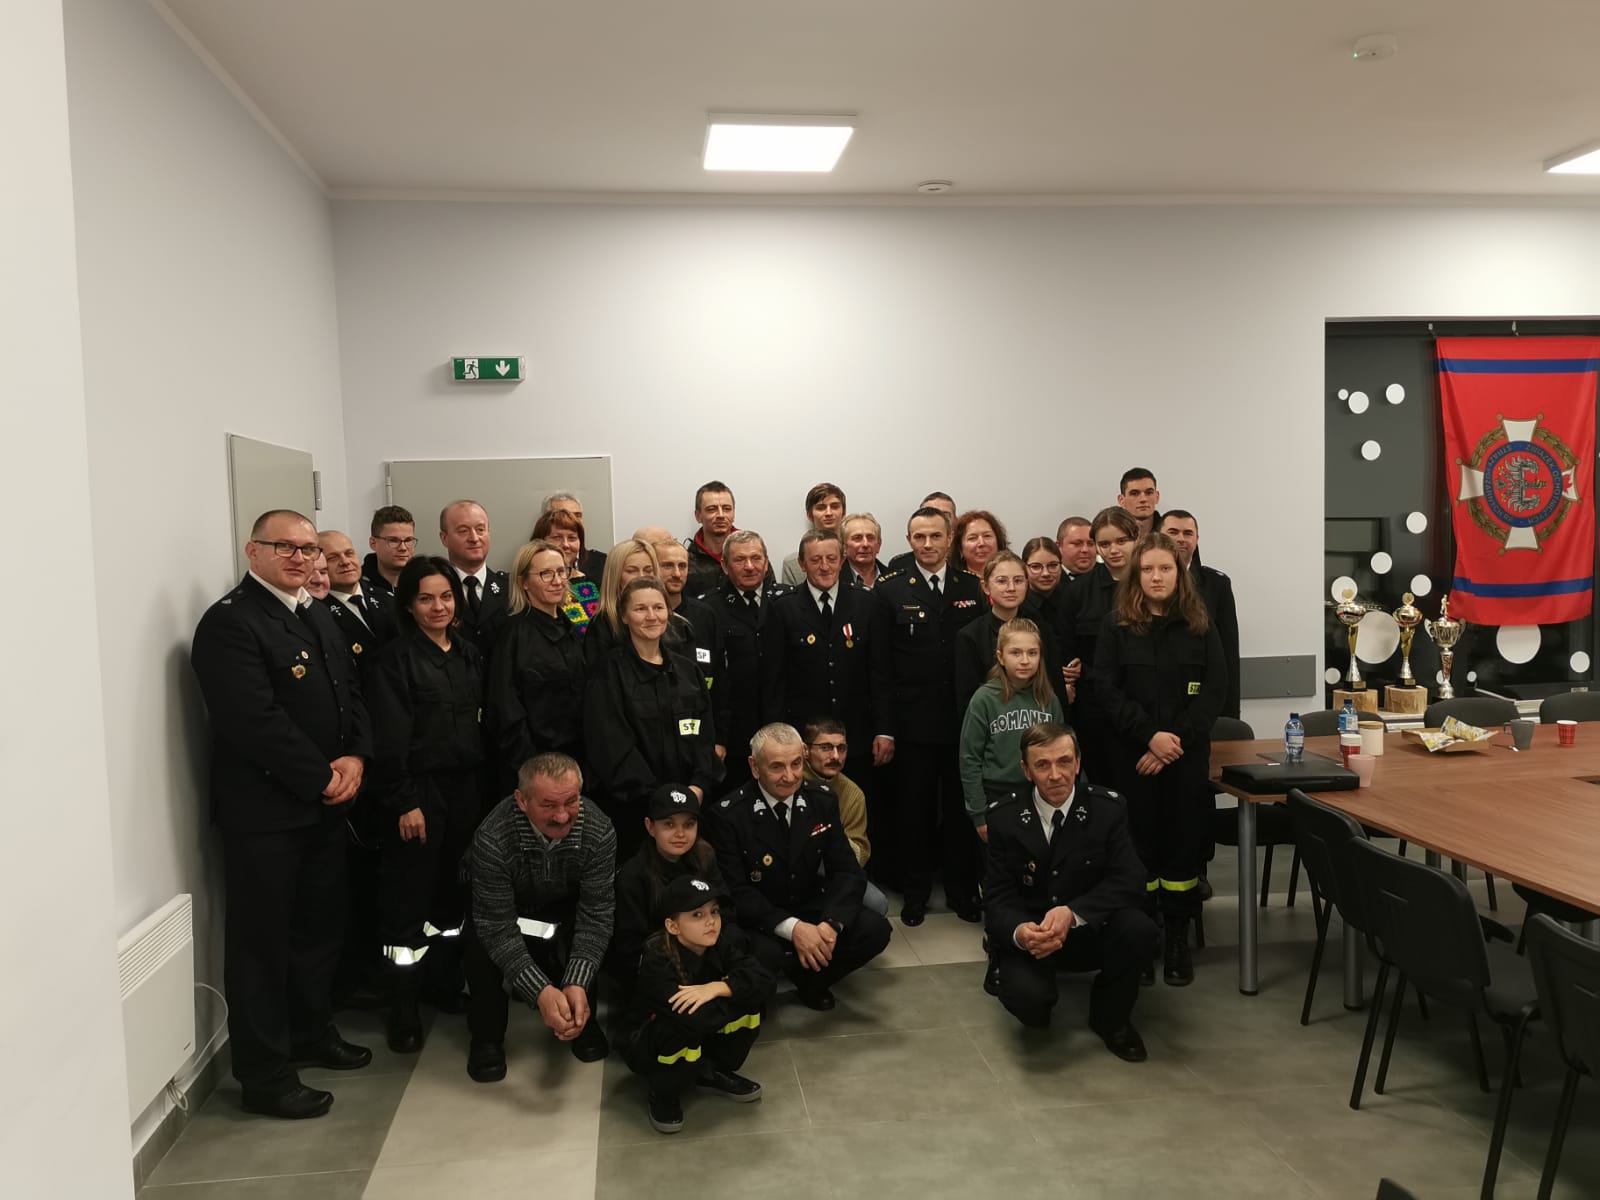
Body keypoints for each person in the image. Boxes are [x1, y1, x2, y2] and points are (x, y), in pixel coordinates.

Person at [190, 509, 373, 1120]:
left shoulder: (313, 611)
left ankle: (310, 1033)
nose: (301, 558)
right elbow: (253, 720)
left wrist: (356, 756)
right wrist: (322, 776)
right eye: (286, 547)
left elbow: (350, 692)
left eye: (308, 549)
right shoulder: (231, 623)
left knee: (317, 933)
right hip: (266, 816)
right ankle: (266, 1075)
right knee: (262, 947)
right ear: (253, 551)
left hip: (324, 809)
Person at [1092, 532, 1225, 986]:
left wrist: (1173, 743)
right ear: (1136, 575)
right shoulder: (1116, 626)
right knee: (1137, 850)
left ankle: (1176, 941)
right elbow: (1106, 690)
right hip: (1132, 758)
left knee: (1182, 849)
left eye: (1165, 568)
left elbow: (1214, 693)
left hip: (1184, 760)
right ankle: (1143, 939)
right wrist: (1149, 737)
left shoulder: (1200, 625)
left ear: (1179, 574)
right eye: (1147, 569)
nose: (1156, 576)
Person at [366, 558, 486, 1053]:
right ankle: (404, 1011)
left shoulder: (468, 654)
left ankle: (443, 984)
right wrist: (404, 802)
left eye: (446, 596)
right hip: (419, 796)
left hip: (465, 792)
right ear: (409, 606)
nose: (438, 607)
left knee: (452, 902)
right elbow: (389, 741)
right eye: (426, 598)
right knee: (408, 904)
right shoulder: (394, 661)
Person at [983, 723, 1157, 1061]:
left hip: (1091, 928)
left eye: (1064, 761)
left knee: (1140, 930)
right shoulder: (1004, 818)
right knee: (1031, 1007)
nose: (1055, 775)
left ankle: (1112, 1020)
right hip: (1035, 935)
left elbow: (1130, 879)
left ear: (1078, 763)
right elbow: (998, 895)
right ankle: (1016, 974)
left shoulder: (1108, 809)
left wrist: (1074, 913)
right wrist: (1020, 932)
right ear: (1026, 771)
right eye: (1042, 765)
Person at [709, 724, 891, 1010]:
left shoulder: (822, 800)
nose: (790, 776)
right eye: (777, 767)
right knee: (764, 957)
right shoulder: (729, 815)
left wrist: (831, 924)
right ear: (754, 767)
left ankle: (811, 980)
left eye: (796, 764)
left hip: (806, 901)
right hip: (760, 916)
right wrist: (793, 929)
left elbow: (847, 871)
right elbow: (736, 891)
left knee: (875, 929)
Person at [462, 752, 615, 1081]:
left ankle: (582, 1015)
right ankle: (486, 1037)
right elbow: (496, 927)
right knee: (479, 945)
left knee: (583, 934)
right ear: (521, 800)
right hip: (504, 912)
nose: (562, 816)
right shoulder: (492, 837)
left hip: (562, 908)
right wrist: (540, 992)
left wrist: (577, 981)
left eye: (571, 802)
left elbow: (596, 915)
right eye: (548, 805)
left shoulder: (599, 830)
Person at [871, 508, 987, 925]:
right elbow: (880, 668)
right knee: (914, 814)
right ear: (909, 540)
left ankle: (960, 891)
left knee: (959, 812)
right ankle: (916, 894)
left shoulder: (971, 587)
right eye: (919, 537)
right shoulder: (890, 590)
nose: (927, 544)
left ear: (949, 538)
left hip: (962, 722)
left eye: (935, 536)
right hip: (912, 725)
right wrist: (885, 728)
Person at [622, 875, 775, 1135]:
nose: (711, 921)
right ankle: (664, 1092)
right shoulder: (656, 959)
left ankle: (710, 1070)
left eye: (714, 911)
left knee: (751, 1002)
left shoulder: (716, 943)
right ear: (673, 926)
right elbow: (696, 1018)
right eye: (697, 915)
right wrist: (737, 991)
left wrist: (718, 988)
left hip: (701, 1025)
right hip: (647, 1044)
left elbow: (765, 981)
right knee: (681, 1025)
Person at [584, 577, 723, 858]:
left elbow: (704, 736)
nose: (651, 616)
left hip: (691, 806)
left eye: (658, 608)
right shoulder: (608, 673)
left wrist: (697, 787)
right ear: (624, 616)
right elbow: (611, 746)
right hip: (635, 812)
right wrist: (660, 801)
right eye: (640, 609)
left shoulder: (688, 671)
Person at [760, 528, 890, 777]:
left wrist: (884, 730)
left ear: (842, 561)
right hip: (803, 737)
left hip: (857, 734)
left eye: (831, 559)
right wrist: (778, 736)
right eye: (815, 560)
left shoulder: (867, 604)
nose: (824, 567)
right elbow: (774, 680)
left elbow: (880, 672)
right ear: (802, 564)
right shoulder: (783, 608)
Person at [487, 539, 587, 792]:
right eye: (545, 574)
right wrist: (531, 771)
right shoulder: (512, 635)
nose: (557, 580)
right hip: (535, 769)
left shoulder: (572, 629)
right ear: (523, 582)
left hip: (578, 762)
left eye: (561, 571)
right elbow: (506, 711)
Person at [607, 784, 729, 983]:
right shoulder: (633, 874)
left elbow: (726, 909)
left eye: (689, 824)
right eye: (669, 825)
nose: (680, 834)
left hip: (707, 953)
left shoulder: (705, 856)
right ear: (650, 827)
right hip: (657, 968)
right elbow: (630, 945)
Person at [1053, 507, 1140, 781]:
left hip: (1143, 706)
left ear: (1136, 539)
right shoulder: (1078, 591)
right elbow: (1066, 648)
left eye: (1122, 541)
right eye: (1105, 543)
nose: (1113, 550)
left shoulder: (1151, 583)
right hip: (1095, 710)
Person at [701, 530, 789, 796]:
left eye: (756, 558)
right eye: (740, 560)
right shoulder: (708, 608)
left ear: (766, 561)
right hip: (735, 734)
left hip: (781, 726)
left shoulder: (787, 601)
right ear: (725, 565)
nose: (750, 566)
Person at [959, 619, 1064, 839]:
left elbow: (1062, 754)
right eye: (1015, 653)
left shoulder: (1049, 699)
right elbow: (970, 759)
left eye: (1032, 653)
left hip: (1040, 795)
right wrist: (979, 814)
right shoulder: (984, 699)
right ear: (1000, 657)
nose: (1025, 660)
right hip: (997, 797)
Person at [955, 551, 1071, 710]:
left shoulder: (1042, 630)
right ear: (986, 587)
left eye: (1018, 581)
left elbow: (1056, 689)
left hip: (1040, 718)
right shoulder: (970, 636)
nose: (1011, 588)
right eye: (1002, 581)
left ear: (1027, 584)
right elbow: (967, 703)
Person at [801, 718, 889, 917]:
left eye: (841, 748)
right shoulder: (791, 779)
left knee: (879, 904)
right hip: (789, 866)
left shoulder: (853, 794)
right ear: (806, 750)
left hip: (832, 867)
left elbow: (861, 853)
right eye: (825, 748)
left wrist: (829, 833)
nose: (835, 756)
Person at [1160, 509, 1241, 720]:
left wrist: (1230, 713)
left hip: (1204, 700)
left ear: (1196, 540)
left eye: (1188, 533)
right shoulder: (1143, 582)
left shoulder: (1217, 584)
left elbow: (1229, 652)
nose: (1181, 538)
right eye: (1173, 532)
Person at [654, 538, 730, 761]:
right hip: (658, 735)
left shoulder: (704, 615)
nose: (677, 573)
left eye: (682, 566)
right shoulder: (643, 619)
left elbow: (720, 679)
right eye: (667, 566)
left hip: (701, 733)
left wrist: (720, 739)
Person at [439, 500, 509, 657]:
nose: (474, 538)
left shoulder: (512, 589)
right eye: (463, 531)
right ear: (444, 538)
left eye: (480, 529)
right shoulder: (434, 593)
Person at [320, 529, 399, 661]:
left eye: (349, 553)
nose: (345, 562)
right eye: (333, 558)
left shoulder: (387, 598)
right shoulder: (318, 611)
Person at [685, 480, 773, 597]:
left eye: (727, 509)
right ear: (698, 516)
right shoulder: (687, 562)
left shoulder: (754, 553)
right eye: (712, 509)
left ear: (733, 514)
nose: (721, 515)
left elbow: (771, 597)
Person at [584, 538, 662, 662]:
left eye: (648, 571)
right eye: (631, 571)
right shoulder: (602, 625)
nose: (641, 577)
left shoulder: (673, 623)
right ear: (615, 576)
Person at [530, 507, 600, 634]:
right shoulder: (531, 586)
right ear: (540, 542)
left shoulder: (593, 586)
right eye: (557, 537)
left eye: (572, 538)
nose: (566, 545)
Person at [780, 481, 848, 585]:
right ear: (809, 515)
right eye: (821, 508)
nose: (829, 513)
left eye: (834, 507)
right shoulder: (793, 565)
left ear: (843, 513)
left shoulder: (856, 556)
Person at [541, 491, 607, 580]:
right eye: (564, 514)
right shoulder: (531, 565)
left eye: (577, 515)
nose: (573, 520)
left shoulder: (603, 563)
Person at [886, 491, 956, 573]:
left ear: (956, 520)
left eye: (945, 515)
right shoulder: (900, 564)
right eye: (929, 513)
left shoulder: (966, 559)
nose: (935, 519)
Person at [363, 504, 416, 603]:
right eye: (393, 540)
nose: (403, 548)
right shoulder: (358, 588)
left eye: (408, 540)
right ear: (373, 543)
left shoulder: (424, 581)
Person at [951, 509, 1008, 578]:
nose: (981, 543)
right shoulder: (950, 581)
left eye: (987, 536)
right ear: (960, 548)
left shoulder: (1014, 577)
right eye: (972, 538)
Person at [842, 512, 887, 589]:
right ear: (844, 546)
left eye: (870, 538)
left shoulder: (894, 579)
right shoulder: (834, 580)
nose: (865, 544)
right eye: (857, 538)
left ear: (878, 545)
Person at [1115, 468, 1161, 537]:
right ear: (1121, 500)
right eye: (1134, 494)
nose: (1143, 499)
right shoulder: (1112, 533)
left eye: (1149, 493)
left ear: (1157, 497)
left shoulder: (1169, 534)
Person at [1056, 516, 1097, 581]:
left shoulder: (1109, 575)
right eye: (1077, 544)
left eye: (1091, 544)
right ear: (1058, 547)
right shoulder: (1048, 579)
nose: (1085, 549)